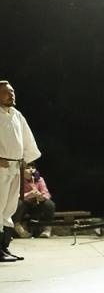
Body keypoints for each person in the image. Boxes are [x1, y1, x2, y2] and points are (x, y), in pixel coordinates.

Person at [0, 80, 41, 262]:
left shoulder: (16, 114)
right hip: (1, 167)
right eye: (7, 92)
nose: (11, 95)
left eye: (13, 91)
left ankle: (4, 246)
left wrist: (26, 160)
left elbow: (26, 139)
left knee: (9, 207)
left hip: (15, 167)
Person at [14, 165, 54, 238]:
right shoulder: (18, 180)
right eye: (28, 168)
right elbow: (14, 195)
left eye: (33, 168)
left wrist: (42, 197)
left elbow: (46, 193)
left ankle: (47, 228)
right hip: (24, 206)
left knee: (49, 204)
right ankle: (18, 228)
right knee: (18, 203)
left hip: (36, 205)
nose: (31, 170)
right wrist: (27, 195)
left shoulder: (39, 179)